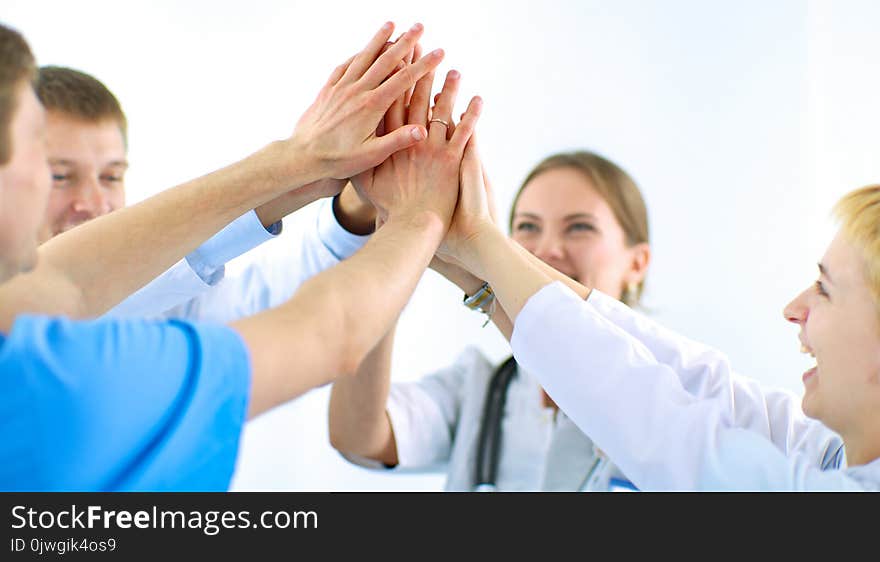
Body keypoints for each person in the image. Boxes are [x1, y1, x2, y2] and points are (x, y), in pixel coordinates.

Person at [0, 20, 483, 491]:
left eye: (110, 176)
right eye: (45, 162)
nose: (90, 201)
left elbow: (70, 281)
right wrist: (419, 215)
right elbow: (330, 331)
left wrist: (308, 166)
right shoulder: (59, 373)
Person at [431, 126, 880, 490]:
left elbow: (657, 423)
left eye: (824, 289)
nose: (793, 308)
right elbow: (698, 382)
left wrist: (481, 245)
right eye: (527, 227)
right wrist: (482, 271)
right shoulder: (823, 451)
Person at [329, 150, 651, 491]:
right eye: (528, 226)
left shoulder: (670, 402)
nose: (547, 249)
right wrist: (391, 244)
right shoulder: (479, 389)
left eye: (580, 227)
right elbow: (358, 436)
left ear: (637, 263)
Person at [36, 65, 378, 320]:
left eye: (111, 177)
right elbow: (62, 298)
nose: (96, 204)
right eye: (60, 176)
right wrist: (293, 164)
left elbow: (272, 304)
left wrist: (356, 207)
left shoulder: (161, 308)